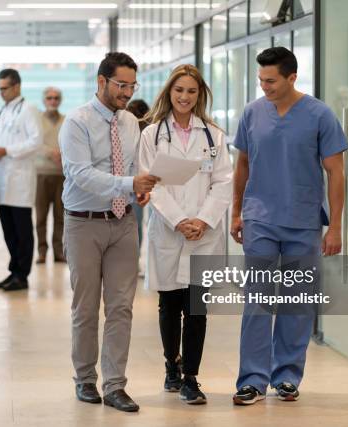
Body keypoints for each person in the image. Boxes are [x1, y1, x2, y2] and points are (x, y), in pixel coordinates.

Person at [230, 47, 348, 405]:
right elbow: (242, 166)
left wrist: (336, 227)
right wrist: (236, 212)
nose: (263, 86)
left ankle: (287, 376)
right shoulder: (252, 113)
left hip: (303, 220)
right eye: (260, 79)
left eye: (270, 80)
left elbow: (336, 172)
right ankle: (252, 378)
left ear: (291, 77)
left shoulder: (319, 115)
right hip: (260, 218)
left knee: (296, 301)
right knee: (258, 300)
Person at [60, 52, 159, 413]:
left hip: (123, 223)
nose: (127, 92)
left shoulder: (131, 123)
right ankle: (85, 379)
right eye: (121, 85)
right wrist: (128, 182)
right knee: (85, 308)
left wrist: (139, 188)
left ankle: (115, 385)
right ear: (101, 81)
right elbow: (81, 175)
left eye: (132, 86)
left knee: (121, 307)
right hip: (83, 222)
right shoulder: (77, 122)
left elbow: (132, 167)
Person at [139, 64, 233, 404]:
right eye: (179, 90)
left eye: (191, 91)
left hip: (203, 233)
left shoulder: (213, 135)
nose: (184, 96)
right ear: (169, 92)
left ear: (200, 95)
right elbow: (151, 184)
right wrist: (180, 220)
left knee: (196, 307)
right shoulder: (151, 135)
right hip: (168, 229)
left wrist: (203, 221)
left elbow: (224, 182)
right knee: (169, 303)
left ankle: (191, 377)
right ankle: (171, 367)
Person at [0, 68, 41, 292]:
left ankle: (22, 275)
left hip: (19, 181)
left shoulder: (29, 110)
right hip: (2, 179)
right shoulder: (3, 111)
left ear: (17, 86)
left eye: (4, 88)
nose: (1, 92)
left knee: (22, 231)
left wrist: (6, 150)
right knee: (8, 230)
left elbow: (36, 142)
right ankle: (13, 271)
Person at [34, 87, 66, 264]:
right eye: (49, 98)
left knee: (60, 216)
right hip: (41, 174)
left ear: (60, 100)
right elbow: (34, 143)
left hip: (61, 175)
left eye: (56, 98)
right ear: (44, 100)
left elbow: (71, 141)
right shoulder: (37, 120)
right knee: (41, 216)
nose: (52, 101)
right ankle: (42, 251)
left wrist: (62, 154)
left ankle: (58, 251)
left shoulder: (66, 120)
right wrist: (50, 153)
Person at [126, 99, 150, 251]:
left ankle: (133, 261)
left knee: (133, 224)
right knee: (136, 224)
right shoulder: (128, 133)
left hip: (137, 185)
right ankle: (133, 261)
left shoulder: (147, 135)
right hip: (133, 184)